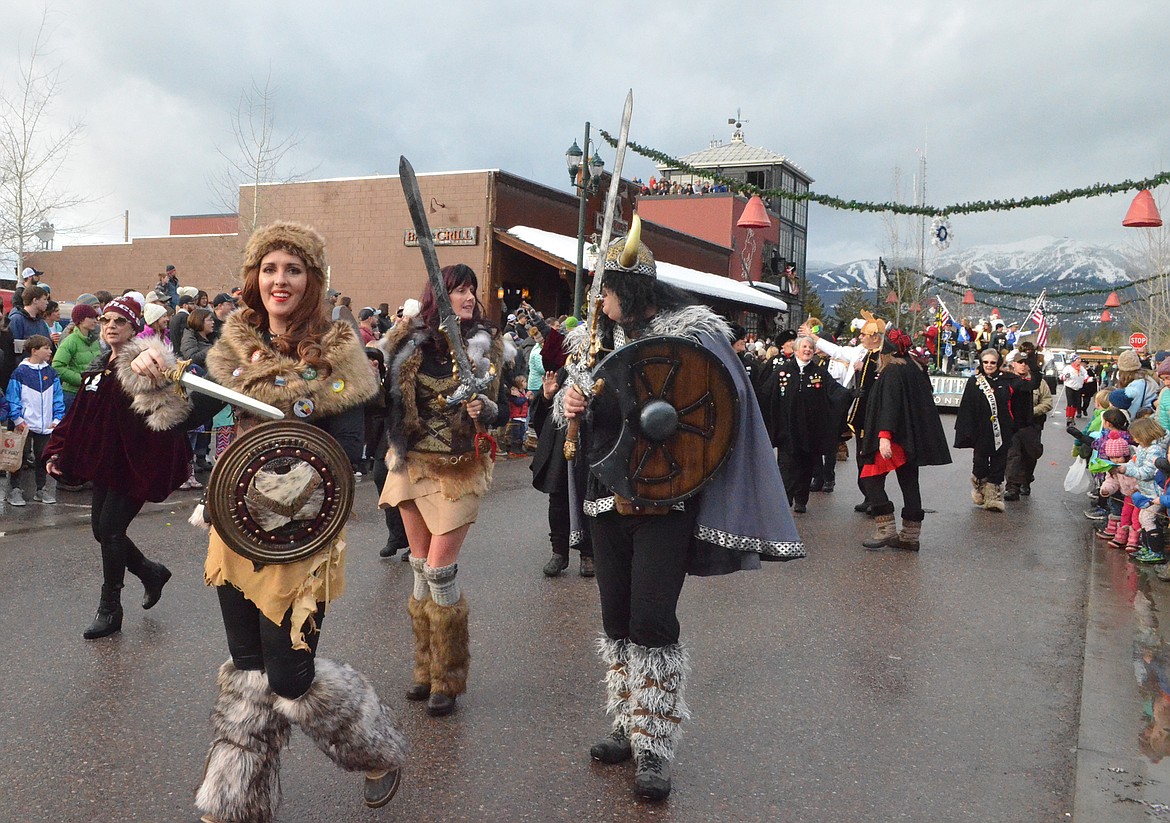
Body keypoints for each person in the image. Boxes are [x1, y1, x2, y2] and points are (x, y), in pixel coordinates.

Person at [128, 222, 405, 820]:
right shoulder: (227, 350)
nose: (280, 281)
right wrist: (150, 369)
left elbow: (348, 455)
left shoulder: (339, 354)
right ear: (255, 277)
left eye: (294, 269)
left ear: (313, 280)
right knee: (248, 668)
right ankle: (235, 801)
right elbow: (175, 413)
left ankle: (374, 749)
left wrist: (292, 460)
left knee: (288, 674)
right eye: (270, 268)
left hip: (302, 540)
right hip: (234, 532)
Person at [560, 216, 803, 800]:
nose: (599, 297)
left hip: (666, 502)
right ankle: (626, 722)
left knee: (650, 619)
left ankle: (655, 749)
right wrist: (568, 402)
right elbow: (575, 418)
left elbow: (722, 412)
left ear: (631, 289)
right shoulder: (593, 342)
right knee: (615, 620)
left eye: (606, 287)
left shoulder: (692, 337)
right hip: (606, 495)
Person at [379, 262, 508, 718]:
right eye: (458, 290)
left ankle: (449, 677)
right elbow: (383, 399)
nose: (469, 297)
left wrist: (486, 407)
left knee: (439, 571)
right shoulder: (408, 342)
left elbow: (505, 410)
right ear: (439, 296)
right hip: (412, 463)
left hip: (459, 467)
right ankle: (424, 668)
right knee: (418, 567)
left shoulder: (487, 346)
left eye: (472, 289)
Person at [42, 296, 184, 639]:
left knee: (111, 530)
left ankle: (110, 608)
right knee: (101, 531)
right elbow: (78, 417)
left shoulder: (149, 366)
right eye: (106, 320)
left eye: (119, 321)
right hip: (107, 464)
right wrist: (56, 450)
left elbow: (169, 414)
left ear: (135, 328)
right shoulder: (97, 366)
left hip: (136, 463)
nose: (110, 326)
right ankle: (151, 572)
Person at [856, 328, 953, 549]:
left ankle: (886, 529)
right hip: (912, 437)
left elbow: (890, 406)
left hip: (895, 437)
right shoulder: (916, 368)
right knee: (909, 482)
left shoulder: (892, 372)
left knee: (870, 478)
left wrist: (884, 437)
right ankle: (910, 536)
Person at [801, 312, 887, 513]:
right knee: (861, 456)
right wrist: (813, 338)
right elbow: (837, 351)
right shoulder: (860, 352)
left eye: (865, 335)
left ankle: (876, 498)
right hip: (858, 413)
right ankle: (868, 495)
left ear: (875, 336)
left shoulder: (884, 356)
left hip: (874, 414)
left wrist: (866, 368)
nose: (862, 338)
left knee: (872, 458)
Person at [757, 335, 849, 513]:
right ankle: (785, 500)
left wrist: (850, 394)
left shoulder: (819, 373)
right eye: (805, 347)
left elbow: (834, 391)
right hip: (787, 430)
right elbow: (766, 393)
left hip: (810, 430)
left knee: (806, 466)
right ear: (796, 350)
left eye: (811, 348)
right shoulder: (783, 371)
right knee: (786, 466)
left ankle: (801, 499)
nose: (808, 350)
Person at [955, 348, 1032, 512]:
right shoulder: (974, 381)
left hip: (1002, 430)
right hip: (981, 431)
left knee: (999, 464)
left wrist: (1031, 365)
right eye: (986, 362)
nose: (989, 365)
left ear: (998, 364)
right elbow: (967, 408)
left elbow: (1027, 388)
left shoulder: (1008, 380)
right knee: (980, 465)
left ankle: (993, 498)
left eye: (993, 362)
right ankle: (980, 489)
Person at [5, 334, 64, 506]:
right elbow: (12, 396)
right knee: (19, 457)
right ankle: (14, 489)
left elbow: (57, 396)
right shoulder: (20, 372)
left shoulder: (51, 372)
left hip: (45, 424)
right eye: (45, 348)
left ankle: (41, 489)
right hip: (24, 423)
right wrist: (17, 418)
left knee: (42, 455)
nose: (49, 350)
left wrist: (57, 418)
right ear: (34, 351)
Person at [1004, 350, 1053, 500]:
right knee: (1013, 455)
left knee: (1030, 455)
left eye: (1026, 363)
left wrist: (1031, 412)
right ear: (1013, 364)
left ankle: (1026, 480)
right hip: (1012, 426)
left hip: (1032, 424)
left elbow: (1047, 402)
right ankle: (1012, 487)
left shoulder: (1038, 383)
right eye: (1020, 362)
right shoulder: (1007, 380)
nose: (1023, 366)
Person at [52, 302, 101, 412]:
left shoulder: (94, 341)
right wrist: (81, 379)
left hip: (90, 392)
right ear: (81, 320)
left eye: (96, 317)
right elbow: (57, 366)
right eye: (91, 317)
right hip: (72, 394)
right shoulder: (70, 341)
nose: (95, 321)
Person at [1060, 355, 1087, 420]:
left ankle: (1073, 415)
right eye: (1078, 359)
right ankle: (1069, 416)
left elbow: (1085, 375)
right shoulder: (1068, 368)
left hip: (1078, 387)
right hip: (1070, 387)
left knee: (1077, 402)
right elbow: (1061, 376)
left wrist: (1090, 379)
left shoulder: (1081, 368)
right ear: (1074, 360)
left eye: (1080, 359)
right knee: (1070, 402)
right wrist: (1066, 376)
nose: (1079, 361)